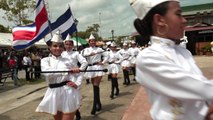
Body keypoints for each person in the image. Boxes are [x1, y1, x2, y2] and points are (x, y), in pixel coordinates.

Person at [130, 0, 213, 119]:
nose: (184, 21)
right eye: (178, 14)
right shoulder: (148, 58)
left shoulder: (184, 52)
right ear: (159, 20)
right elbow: (201, 89)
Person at [35, 31, 82, 120]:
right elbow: (48, 73)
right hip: (53, 93)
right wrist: (67, 71)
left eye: (60, 46)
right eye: (55, 46)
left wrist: (77, 83)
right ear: (49, 47)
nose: (58, 48)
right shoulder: (45, 60)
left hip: (68, 92)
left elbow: (79, 73)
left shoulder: (68, 60)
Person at [62, 34, 88, 120]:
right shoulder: (61, 54)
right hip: (64, 77)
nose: (68, 46)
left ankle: (75, 113)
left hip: (74, 77)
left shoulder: (76, 53)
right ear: (64, 45)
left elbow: (85, 62)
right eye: (67, 44)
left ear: (72, 45)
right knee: (66, 98)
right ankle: (76, 113)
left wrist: (79, 69)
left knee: (73, 97)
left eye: (70, 44)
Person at [82, 33, 108, 115]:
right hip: (90, 68)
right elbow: (82, 55)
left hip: (98, 67)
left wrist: (102, 62)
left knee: (96, 85)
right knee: (94, 86)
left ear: (95, 42)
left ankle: (94, 106)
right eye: (91, 41)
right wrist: (89, 54)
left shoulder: (99, 49)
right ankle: (98, 103)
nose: (92, 42)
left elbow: (107, 55)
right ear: (89, 42)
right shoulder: (86, 50)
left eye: (93, 41)